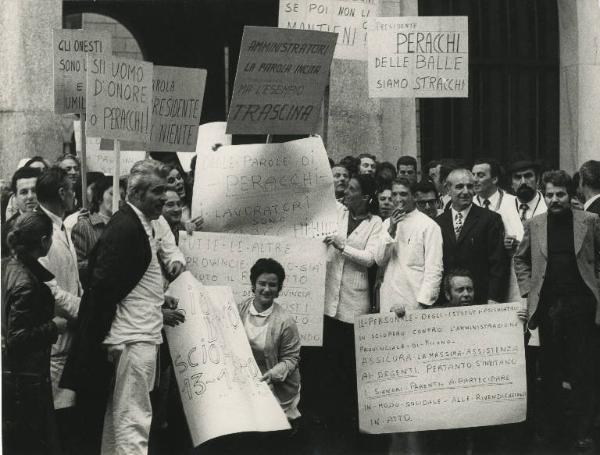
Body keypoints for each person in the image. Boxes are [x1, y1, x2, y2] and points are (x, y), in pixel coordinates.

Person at [60, 160, 182, 455]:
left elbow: (125, 277)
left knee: (119, 422)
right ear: (136, 193)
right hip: (134, 340)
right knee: (134, 423)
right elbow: (102, 288)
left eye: (164, 190)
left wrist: (155, 297)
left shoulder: (138, 224)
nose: (164, 198)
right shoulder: (127, 228)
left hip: (134, 337)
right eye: (157, 191)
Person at [514, 170, 600, 451]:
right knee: (549, 372)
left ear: (571, 194)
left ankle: (583, 431)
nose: (554, 200)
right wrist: (528, 291)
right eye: (549, 194)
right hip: (548, 308)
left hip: (582, 307)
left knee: (582, 371)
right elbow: (521, 260)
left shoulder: (589, 221)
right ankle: (553, 431)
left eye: (560, 194)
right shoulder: (534, 224)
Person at [323, 174, 382, 452]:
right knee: (329, 370)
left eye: (353, 189)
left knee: (349, 371)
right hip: (328, 303)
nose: (346, 191)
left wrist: (342, 246)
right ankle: (331, 428)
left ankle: (349, 432)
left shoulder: (376, 224)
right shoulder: (337, 210)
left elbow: (371, 258)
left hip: (353, 307)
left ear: (366, 197)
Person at [2, 212, 69, 455]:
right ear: (43, 241)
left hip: (17, 377)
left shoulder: (9, 266)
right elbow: (17, 338)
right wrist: (54, 326)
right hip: (26, 379)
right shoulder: (27, 283)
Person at [35, 166, 82, 451]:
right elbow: (47, 288)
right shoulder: (42, 233)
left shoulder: (61, 226)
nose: (74, 194)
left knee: (68, 414)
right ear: (62, 193)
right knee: (59, 420)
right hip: (57, 337)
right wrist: (81, 309)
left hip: (70, 334)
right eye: (71, 188)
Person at [238, 258, 301, 424]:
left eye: (272, 285)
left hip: (277, 384)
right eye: (262, 283)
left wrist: (274, 374)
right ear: (253, 285)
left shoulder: (285, 322)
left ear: (278, 289)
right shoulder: (240, 309)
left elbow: (291, 360)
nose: (266, 289)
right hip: (247, 379)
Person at [435, 169, 509, 305]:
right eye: (459, 187)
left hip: (481, 299)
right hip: (447, 302)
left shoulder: (490, 219)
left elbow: (498, 263)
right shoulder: (438, 223)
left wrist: (494, 298)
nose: (465, 192)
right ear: (448, 189)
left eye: (469, 186)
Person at [376, 178, 443, 316]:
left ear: (414, 196)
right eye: (394, 194)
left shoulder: (429, 226)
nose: (398, 199)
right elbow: (380, 260)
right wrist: (391, 230)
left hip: (414, 301)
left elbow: (434, 269)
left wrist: (422, 304)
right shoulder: (387, 224)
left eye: (403, 194)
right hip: (389, 299)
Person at [71, 176, 113, 287]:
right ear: (99, 198)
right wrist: (103, 262)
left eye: (122, 196)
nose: (118, 199)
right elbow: (76, 266)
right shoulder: (84, 226)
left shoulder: (125, 225)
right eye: (112, 194)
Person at [2, 166, 41, 257]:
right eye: (24, 192)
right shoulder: (6, 231)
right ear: (15, 196)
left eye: (34, 191)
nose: (30, 196)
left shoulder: (52, 221)